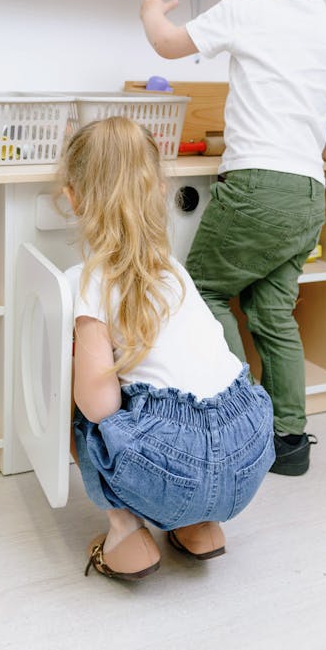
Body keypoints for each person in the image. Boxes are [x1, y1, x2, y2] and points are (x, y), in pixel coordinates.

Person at [140, 0, 326, 477]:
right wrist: (322, 153)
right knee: (273, 314)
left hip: (254, 187)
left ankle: (236, 417)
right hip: (308, 193)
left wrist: (152, 11)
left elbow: (168, 45)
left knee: (204, 291)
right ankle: (289, 440)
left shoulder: (245, 10)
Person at [60, 116, 275, 581]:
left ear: (72, 198)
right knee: (184, 418)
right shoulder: (175, 271)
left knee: (78, 411)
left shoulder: (93, 281)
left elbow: (98, 406)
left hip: (175, 466)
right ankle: (201, 526)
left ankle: (126, 533)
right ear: (159, 190)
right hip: (250, 449)